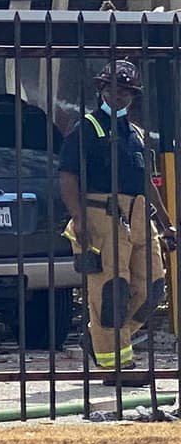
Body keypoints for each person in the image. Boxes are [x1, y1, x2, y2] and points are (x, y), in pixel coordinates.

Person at [59, 59, 175, 384]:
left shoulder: (135, 134)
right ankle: (117, 368)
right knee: (112, 291)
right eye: (113, 89)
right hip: (102, 215)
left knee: (152, 290)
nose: (119, 96)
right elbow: (68, 176)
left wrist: (166, 224)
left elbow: (146, 183)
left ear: (133, 96)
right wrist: (78, 217)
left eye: (126, 91)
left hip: (139, 216)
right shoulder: (87, 128)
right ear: (101, 89)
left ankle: (101, 338)